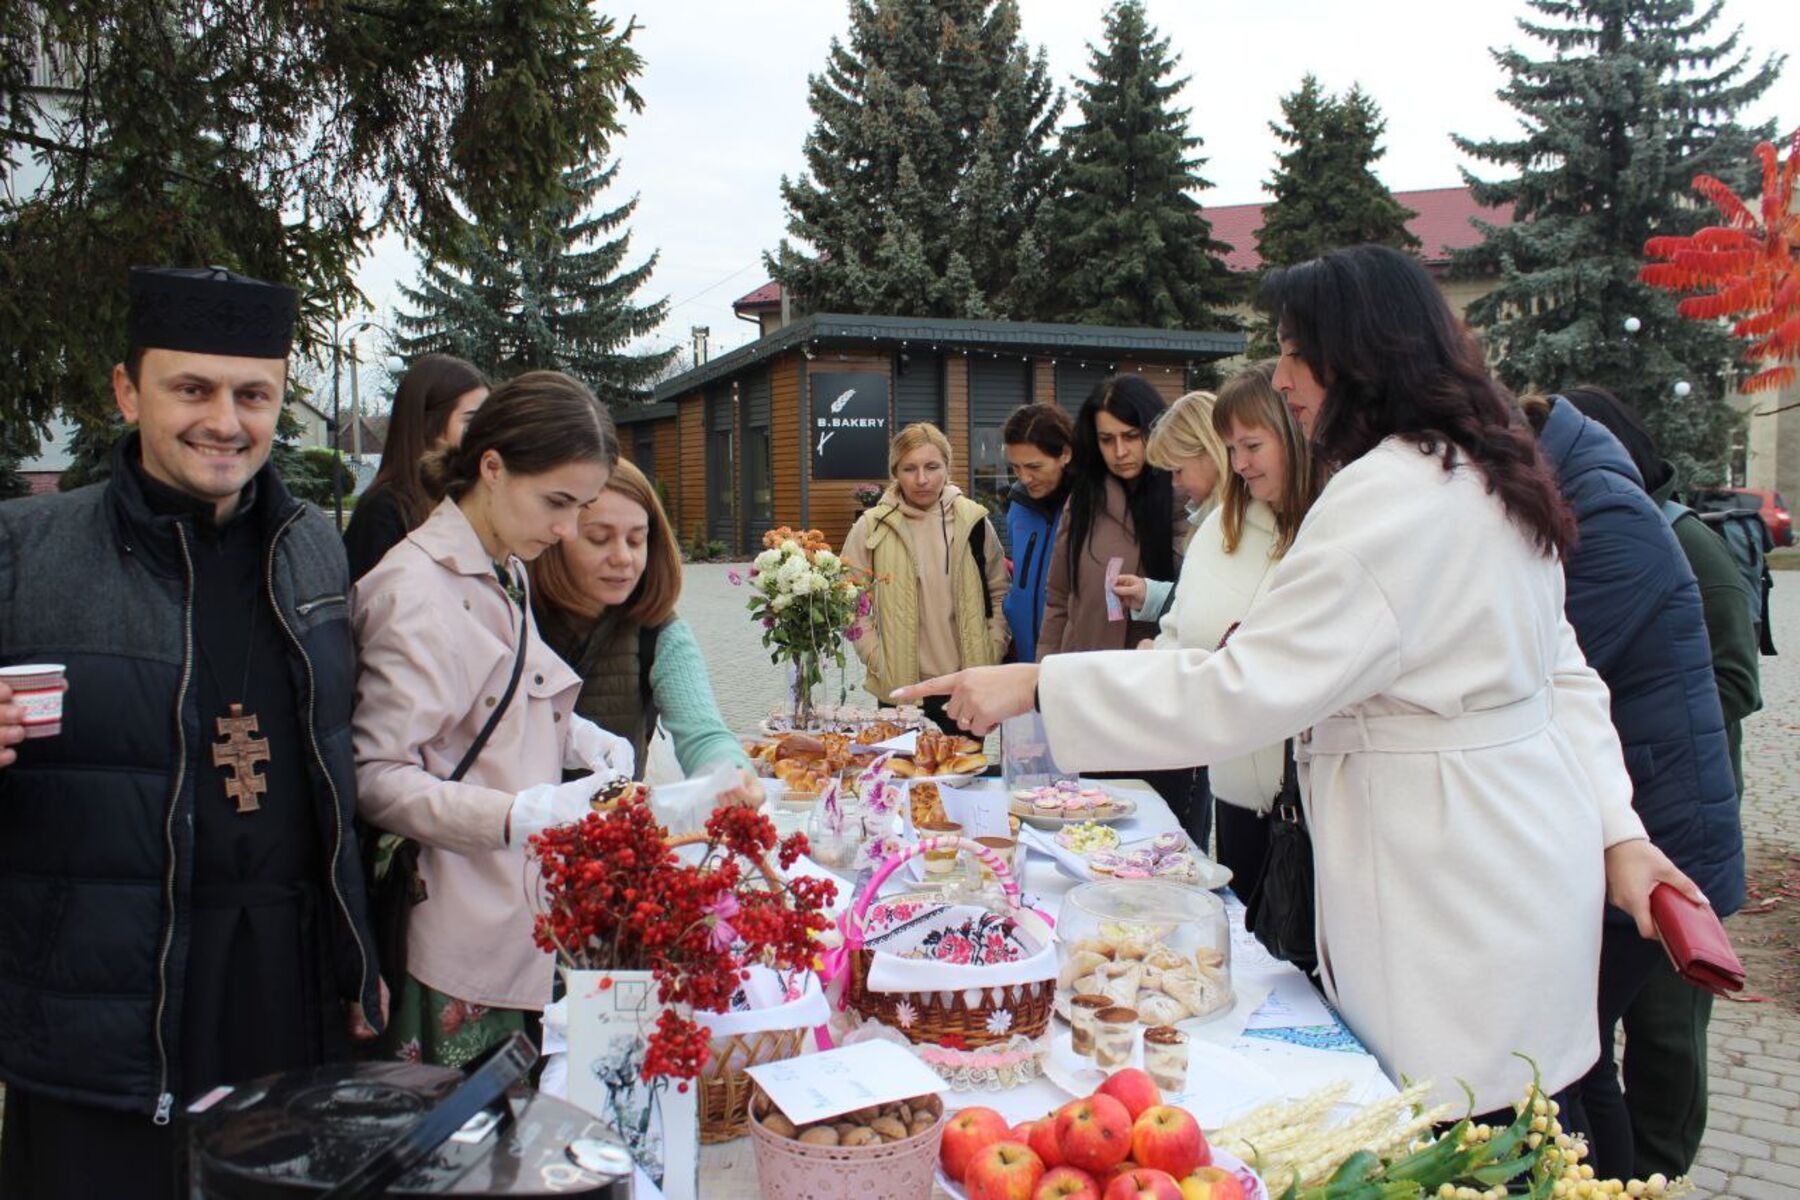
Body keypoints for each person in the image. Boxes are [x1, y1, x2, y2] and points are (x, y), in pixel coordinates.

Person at [897, 244, 1699, 1122]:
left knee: (1457, 1122)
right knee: (1522, 1109)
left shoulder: (1390, 496)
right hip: (1523, 863)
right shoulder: (1487, 470)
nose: (1280, 380)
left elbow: (1241, 690)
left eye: (1292, 351)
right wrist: (1615, 831)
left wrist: (1039, 686)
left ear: (1361, 355)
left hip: (1448, 881)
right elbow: (1565, 679)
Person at [0, 266, 383, 1198]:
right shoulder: (23, 553)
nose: (226, 420)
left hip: (285, 982)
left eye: (253, 394)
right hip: (105, 998)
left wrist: (357, 961)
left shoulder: (310, 546)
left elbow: (335, 766)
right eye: (191, 388)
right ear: (128, 391)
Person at [351, 370, 636, 1067]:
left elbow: (502, 701)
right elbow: (375, 774)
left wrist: (581, 739)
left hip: (509, 910)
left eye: (582, 505)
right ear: (491, 466)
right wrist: (519, 816)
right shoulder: (412, 588)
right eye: (557, 503)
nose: (567, 529)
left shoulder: (502, 564)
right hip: (449, 923)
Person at [1536, 387, 1753, 1179]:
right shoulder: (1582, 516)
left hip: (1661, 833)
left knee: (1645, 1042)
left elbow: (1735, 680)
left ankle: (1649, 1179)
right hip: (1626, 821)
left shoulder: (1632, 530)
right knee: (1592, 1051)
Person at [1146, 364, 1323, 893]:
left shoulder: (1335, 528)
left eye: (1251, 446)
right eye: (1230, 449)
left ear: (1293, 433)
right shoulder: (1218, 532)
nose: (1239, 464)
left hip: (1318, 808)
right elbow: (1178, 637)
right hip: (1237, 795)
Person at [531, 457, 762, 807]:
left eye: (636, 540)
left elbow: (701, 731)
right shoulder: (511, 614)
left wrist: (733, 772)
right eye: (599, 538)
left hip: (610, 846)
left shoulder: (657, 631)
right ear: (554, 538)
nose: (623, 557)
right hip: (502, 847)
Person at [842, 422, 1008, 732]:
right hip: (901, 689)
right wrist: (876, 658)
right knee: (904, 777)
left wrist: (992, 646)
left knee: (963, 776)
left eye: (932, 466)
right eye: (909, 468)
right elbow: (851, 600)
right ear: (895, 471)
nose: (922, 479)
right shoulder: (872, 526)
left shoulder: (974, 521)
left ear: (947, 467)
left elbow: (999, 594)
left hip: (964, 687)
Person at [1038, 374, 1184, 658]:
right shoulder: (1084, 500)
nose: (1119, 451)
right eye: (1106, 439)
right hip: (1082, 668)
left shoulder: (1184, 495)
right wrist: (1044, 672)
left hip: (1152, 672)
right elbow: (1057, 599)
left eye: (1130, 436)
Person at [342, 352, 489, 581]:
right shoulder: (383, 510)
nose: (483, 434)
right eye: (471, 421)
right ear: (429, 422)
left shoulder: (466, 498)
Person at [1000, 403, 1075, 663]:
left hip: (1071, 667)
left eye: (1034, 466)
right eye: (1016, 468)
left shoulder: (1092, 509)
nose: (1024, 478)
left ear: (1065, 454)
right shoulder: (1018, 508)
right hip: (1026, 662)